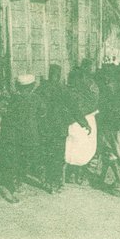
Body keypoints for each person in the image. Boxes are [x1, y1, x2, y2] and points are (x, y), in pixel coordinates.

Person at [36, 64, 86, 193]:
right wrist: (84, 122)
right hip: (59, 129)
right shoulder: (62, 89)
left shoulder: (41, 88)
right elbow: (74, 108)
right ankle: (55, 183)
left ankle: (46, 180)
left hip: (44, 128)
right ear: (58, 76)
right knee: (57, 156)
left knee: (46, 153)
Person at [0, 74, 44, 203]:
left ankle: (11, 187)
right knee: (23, 161)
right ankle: (16, 184)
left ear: (18, 86)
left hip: (12, 137)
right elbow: (42, 112)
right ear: (33, 86)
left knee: (12, 162)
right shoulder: (36, 98)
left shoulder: (11, 99)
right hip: (29, 138)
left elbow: (2, 112)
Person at [96, 66, 120, 189]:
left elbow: (103, 108)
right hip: (119, 126)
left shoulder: (107, 89)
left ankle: (119, 179)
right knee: (109, 151)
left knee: (109, 151)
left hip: (109, 126)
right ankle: (102, 177)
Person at [65, 67, 98, 184]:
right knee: (81, 150)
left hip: (71, 124)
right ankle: (78, 176)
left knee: (71, 149)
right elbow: (81, 110)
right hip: (81, 123)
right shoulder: (83, 92)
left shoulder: (67, 90)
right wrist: (86, 123)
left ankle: (69, 175)